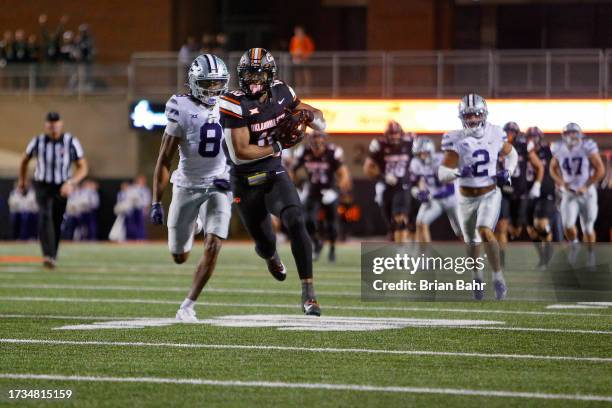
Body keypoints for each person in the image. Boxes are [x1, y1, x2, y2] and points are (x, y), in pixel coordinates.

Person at [219, 47, 326, 316]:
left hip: (273, 173)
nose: (253, 80)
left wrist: (308, 117)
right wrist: (278, 144)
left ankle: (309, 293)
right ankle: (271, 256)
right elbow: (240, 154)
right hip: (244, 179)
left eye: (259, 73)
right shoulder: (234, 102)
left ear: (270, 75)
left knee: (295, 219)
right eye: (248, 74)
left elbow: (320, 118)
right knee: (265, 243)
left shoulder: (282, 92)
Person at [151, 54, 232, 322]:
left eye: (217, 83)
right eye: (208, 83)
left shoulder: (231, 103)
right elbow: (165, 158)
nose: (213, 89)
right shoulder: (180, 106)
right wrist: (155, 201)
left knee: (213, 245)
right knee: (179, 256)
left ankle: (188, 305)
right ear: (196, 83)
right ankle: (194, 223)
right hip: (187, 184)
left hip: (219, 182)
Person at [438, 94, 518, 300]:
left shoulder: (495, 132)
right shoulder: (455, 138)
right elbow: (442, 173)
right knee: (471, 241)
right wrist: (456, 173)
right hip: (464, 197)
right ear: (461, 117)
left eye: (476, 114)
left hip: (489, 193)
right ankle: (477, 276)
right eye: (468, 115)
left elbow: (512, 154)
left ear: (484, 114)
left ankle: (498, 278)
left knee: (484, 231)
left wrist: (508, 171)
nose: (473, 119)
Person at [17, 111, 88, 268]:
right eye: (50, 123)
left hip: (62, 185)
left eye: (56, 123)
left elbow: (83, 168)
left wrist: (71, 183)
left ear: (61, 124)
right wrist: (22, 181)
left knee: (56, 219)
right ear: (46, 125)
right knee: (45, 216)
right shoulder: (37, 141)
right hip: (42, 184)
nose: (53, 126)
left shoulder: (71, 141)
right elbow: (24, 160)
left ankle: (52, 256)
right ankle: (47, 254)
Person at [292, 131, 351, 262]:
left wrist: (338, 190)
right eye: (314, 142)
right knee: (307, 220)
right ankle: (317, 242)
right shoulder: (304, 152)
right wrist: (297, 184)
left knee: (331, 223)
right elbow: (292, 170)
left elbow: (344, 173)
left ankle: (332, 249)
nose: (317, 146)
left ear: (324, 141)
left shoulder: (332, 152)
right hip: (312, 190)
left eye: (319, 142)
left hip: (329, 190)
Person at [549, 123, 604, 258]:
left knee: (588, 228)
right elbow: (552, 168)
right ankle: (575, 244)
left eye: (574, 133)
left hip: (587, 192)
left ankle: (590, 255)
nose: (572, 136)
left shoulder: (587, 147)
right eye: (569, 133)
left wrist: (586, 185)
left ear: (579, 134)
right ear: (564, 135)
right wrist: (561, 182)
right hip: (569, 192)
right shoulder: (559, 148)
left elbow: (600, 169)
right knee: (567, 225)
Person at [495, 122, 544, 267]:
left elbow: (539, 167)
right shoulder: (497, 147)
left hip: (520, 193)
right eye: (507, 132)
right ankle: (501, 261)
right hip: (504, 192)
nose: (509, 135)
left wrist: (537, 185)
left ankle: (511, 235)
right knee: (502, 225)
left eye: (512, 132)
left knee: (517, 230)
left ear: (517, 134)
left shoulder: (524, 147)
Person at [363, 121, 415, 242]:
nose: (394, 136)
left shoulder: (410, 142)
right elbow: (367, 168)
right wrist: (383, 177)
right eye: (391, 134)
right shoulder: (379, 145)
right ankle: (394, 233)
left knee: (400, 217)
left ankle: (404, 246)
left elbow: (420, 162)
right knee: (390, 218)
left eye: (396, 133)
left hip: (404, 185)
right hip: (386, 185)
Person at [410, 137, 461, 243]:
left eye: (424, 153)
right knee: (421, 223)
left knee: (461, 231)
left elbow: (450, 187)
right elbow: (419, 182)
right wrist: (420, 193)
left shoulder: (441, 159)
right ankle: (423, 258)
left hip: (451, 198)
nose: (422, 156)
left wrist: (431, 194)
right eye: (419, 154)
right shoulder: (416, 163)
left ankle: (475, 257)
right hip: (434, 199)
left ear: (431, 151)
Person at [525, 127, 557, 268]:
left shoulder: (549, 150)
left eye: (534, 136)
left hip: (545, 193)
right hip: (528, 194)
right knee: (531, 231)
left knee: (541, 225)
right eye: (530, 136)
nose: (532, 139)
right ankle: (542, 257)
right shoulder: (523, 152)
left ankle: (548, 254)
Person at [289, 26, 315, 90]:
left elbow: (310, 49)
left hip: (304, 59)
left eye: (299, 31)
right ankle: (299, 87)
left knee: (306, 73)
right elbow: (291, 49)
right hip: (296, 59)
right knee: (297, 73)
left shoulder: (306, 39)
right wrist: (294, 54)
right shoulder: (294, 39)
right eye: (296, 31)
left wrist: (305, 55)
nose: (298, 33)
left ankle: (307, 87)